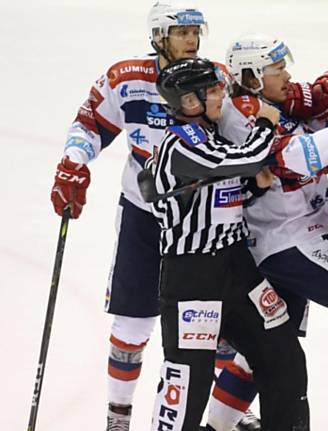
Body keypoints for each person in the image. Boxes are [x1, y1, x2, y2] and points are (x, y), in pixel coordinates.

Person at [199, 33, 328, 431]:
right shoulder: (242, 113)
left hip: (285, 242)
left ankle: (215, 428)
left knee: (260, 354)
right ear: (252, 76)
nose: (288, 76)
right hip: (292, 243)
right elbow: (296, 156)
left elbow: (322, 121)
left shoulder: (272, 105)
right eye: (277, 69)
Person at [49, 2, 209, 429]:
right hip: (143, 214)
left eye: (196, 32)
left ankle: (220, 408)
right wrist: (73, 161)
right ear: (158, 36)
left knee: (213, 320)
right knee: (133, 322)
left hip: (202, 220)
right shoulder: (127, 79)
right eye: (182, 32)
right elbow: (89, 124)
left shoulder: (214, 79)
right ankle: (118, 415)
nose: (192, 41)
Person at [149, 57, 310, 431]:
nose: (221, 93)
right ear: (190, 101)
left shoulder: (212, 136)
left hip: (237, 268)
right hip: (194, 277)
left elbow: (224, 192)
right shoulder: (180, 144)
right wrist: (266, 123)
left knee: (282, 356)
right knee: (189, 383)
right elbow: (247, 158)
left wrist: (253, 187)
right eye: (212, 89)